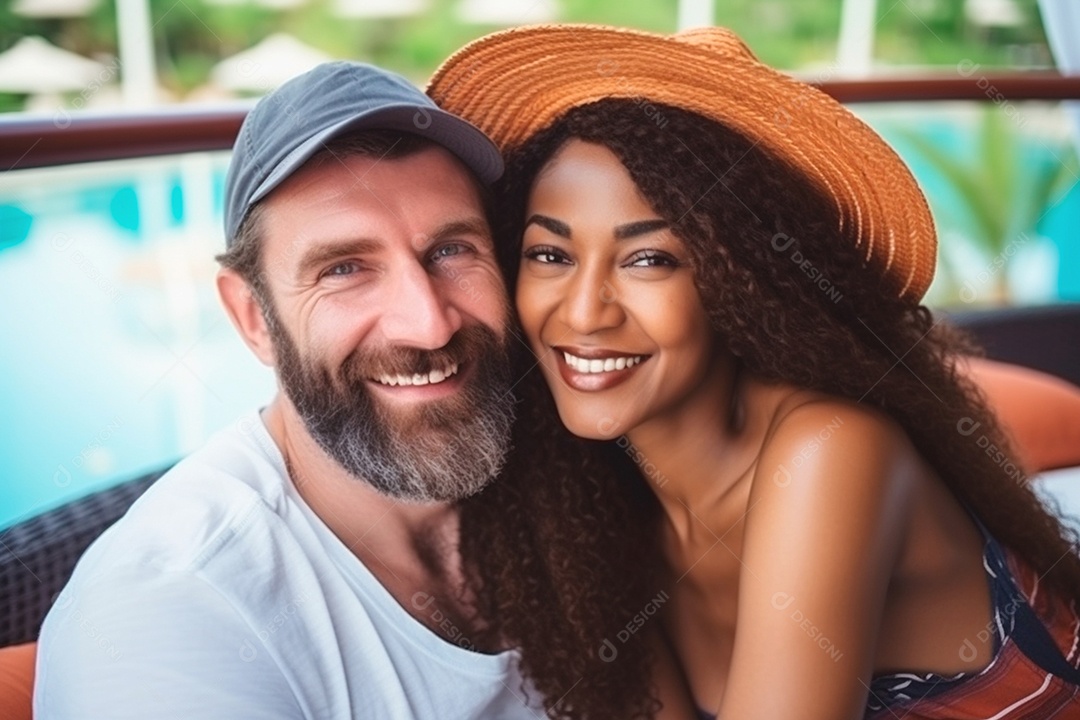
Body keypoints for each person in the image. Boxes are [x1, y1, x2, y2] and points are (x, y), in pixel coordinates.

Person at [429, 25, 1080, 720]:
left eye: (651, 260)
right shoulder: (601, 509)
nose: (584, 313)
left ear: (740, 285)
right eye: (550, 256)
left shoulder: (829, 451)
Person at [33, 61, 548, 719]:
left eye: (451, 250)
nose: (428, 321)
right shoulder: (173, 613)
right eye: (345, 269)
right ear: (255, 318)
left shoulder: (560, 473)